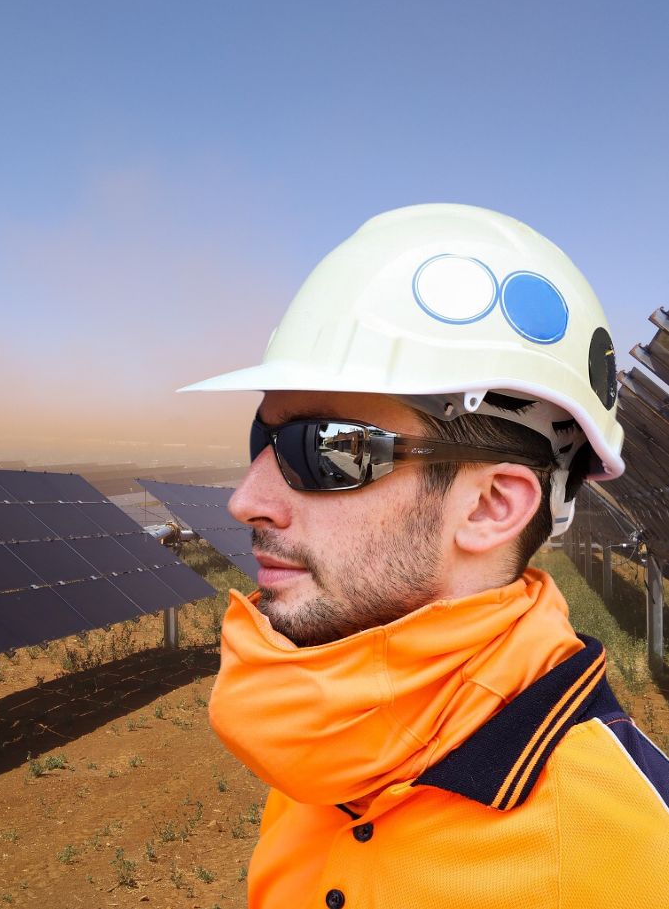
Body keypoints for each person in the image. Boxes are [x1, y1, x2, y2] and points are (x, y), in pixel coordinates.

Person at [181, 204, 669, 909]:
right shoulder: (320, 743)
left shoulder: (631, 859)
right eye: (263, 435)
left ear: (490, 505)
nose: (246, 498)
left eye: (325, 449)